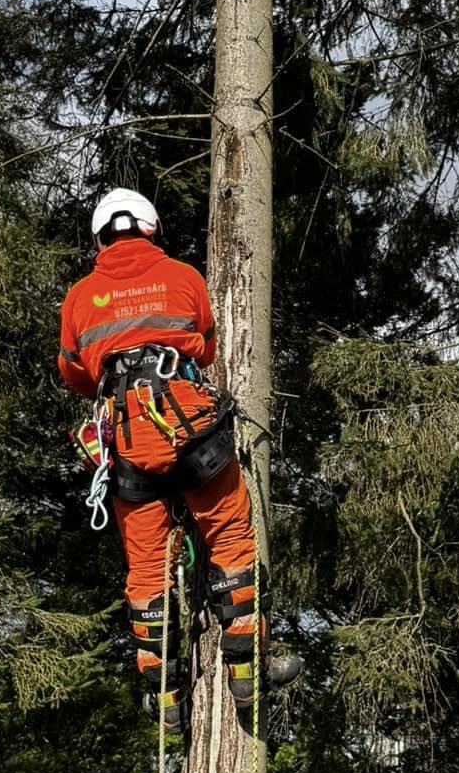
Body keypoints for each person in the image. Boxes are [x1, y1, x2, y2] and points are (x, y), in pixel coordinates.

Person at [58, 187, 300, 731]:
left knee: (146, 567)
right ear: (151, 229)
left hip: (124, 437)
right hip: (189, 424)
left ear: (100, 237)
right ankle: (246, 673)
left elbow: (75, 374)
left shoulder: (79, 297)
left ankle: (167, 700)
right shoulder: (184, 277)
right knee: (231, 538)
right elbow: (207, 347)